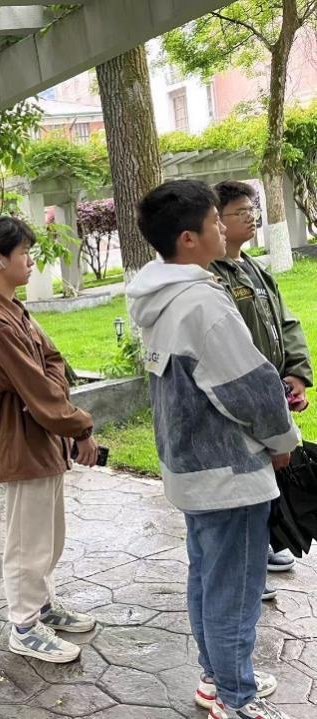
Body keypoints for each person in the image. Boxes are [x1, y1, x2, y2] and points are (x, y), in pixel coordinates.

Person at [129, 180, 300, 719]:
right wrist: (283, 442)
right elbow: (250, 388)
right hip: (229, 473)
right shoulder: (202, 303)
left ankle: (216, 678)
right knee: (236, 592)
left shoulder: (157, 298)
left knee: (207, 578)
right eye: (214, 222)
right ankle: (235, 697)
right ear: (189, 238)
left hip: (190, 470)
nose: (223, 229)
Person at [0, 216, 101, 664]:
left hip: (38, 439)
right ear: (0, 261)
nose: (30, 260)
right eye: (24, 253)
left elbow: (54, 362)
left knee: (48, 535)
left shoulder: (12, 309)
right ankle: (24, 626)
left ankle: (41, 606)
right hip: (21, 443)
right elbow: (39, 389)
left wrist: (50, 393)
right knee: (28, 541)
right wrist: (80, 427)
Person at [210, 179, 312, 596]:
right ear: (216, 220)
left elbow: (286, 322)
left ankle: (263, 547)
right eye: (241, 212)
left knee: (271, 475)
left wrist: (297, 375)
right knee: (246, 482)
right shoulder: (211, 277)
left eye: (253, 210)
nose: (252, 217)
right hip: (244, 400)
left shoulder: (253, 268)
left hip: (272, 392)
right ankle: (245, 568)